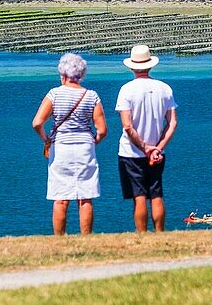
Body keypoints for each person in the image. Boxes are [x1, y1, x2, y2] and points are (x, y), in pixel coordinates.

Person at [32, 52, 107, 235]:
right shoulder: (91, 96)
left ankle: (59, 238)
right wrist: (93, 141)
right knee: (85, 196)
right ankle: (86, 237)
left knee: (60, 197)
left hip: (61, 147)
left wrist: (46, 139)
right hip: (85, 148)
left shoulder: (54, 94)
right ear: (81, 74)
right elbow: (102, 130)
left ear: (63, 74)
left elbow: (37, 123)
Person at [116, 44, 177, 232]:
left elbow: (127, 126)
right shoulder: (165, 89)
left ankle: (141, 234)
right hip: (157, 153)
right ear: (150, 65)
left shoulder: (126, 90)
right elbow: (172, 123)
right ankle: (160, 232)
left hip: (131, 152)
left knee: (139, 195)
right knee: (156, 193)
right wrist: (157, 148)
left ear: (132, 67)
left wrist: (144, 147)